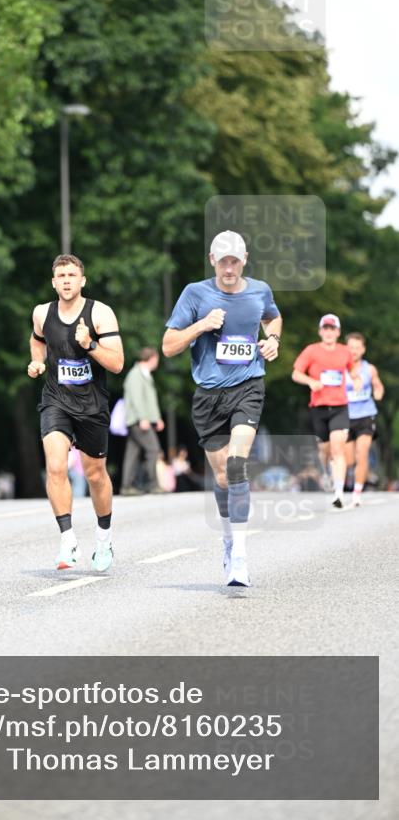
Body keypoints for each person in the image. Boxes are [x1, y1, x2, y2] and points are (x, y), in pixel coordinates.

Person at [162, 230, 282, 587]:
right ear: (212, 261)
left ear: (244, 259)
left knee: (236, 465)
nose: (229, 268)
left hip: (248, 386)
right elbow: (168, 346)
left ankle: (242, 556)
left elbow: (273, 318)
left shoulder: (260, 290)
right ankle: (228, 540)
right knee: (220, 477)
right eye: (222, 261)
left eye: (235, 260)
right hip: (208, 395)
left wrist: (273, 340)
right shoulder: (195, 294)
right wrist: (201, 325)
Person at [28, 254, 124, 571]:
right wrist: (38, 362)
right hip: (56, 398)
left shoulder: (100, 313)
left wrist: (90, 344)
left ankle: (104, 539)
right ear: (53, 281)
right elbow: (37, 340)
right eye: (61, 275)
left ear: (82, 280)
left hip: (92, 403)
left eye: (72, 275)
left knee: (95, 474)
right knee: (56, 466)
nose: (67, 280)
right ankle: (67, 541)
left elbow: (118, 363)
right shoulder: (42, 313)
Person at [291, 314, 362, 509]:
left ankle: (338, 493)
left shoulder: (345, 352)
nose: (329, 332)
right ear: (320, 331)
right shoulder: (311, 351)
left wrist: (356, 380)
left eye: (332, 329)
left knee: (338, 449)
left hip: (340, 406)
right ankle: (327, 472)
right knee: (325, 450)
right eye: (326, 328)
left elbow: (353, 370)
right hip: (319, 408)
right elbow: (296, 373)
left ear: (338, 332)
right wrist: (311, 382)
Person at [344, 332, 384, 507]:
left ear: (363, 349)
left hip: (366, 415)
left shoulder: (370, 369)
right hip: (345, 416)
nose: (354, 351)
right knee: (349, 460)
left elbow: (377, 384)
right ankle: (344, 477)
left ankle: (358, 493)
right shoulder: (341, 369)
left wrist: (378, 392)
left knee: (363, 453)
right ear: (346, 348)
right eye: (351, 347)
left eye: (357, 348)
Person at [120, 348, 165, 495]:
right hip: (138, 420)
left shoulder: (144, 375)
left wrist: (156, 418)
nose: (157, 363)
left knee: (132, 453)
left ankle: (127, 486)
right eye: (156, 359)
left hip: (141, 419)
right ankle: (151, 484)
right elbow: (137, 399)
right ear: (151, 358)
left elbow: (149, 400)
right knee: (153, 450)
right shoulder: (136, 375)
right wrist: (143, 418)